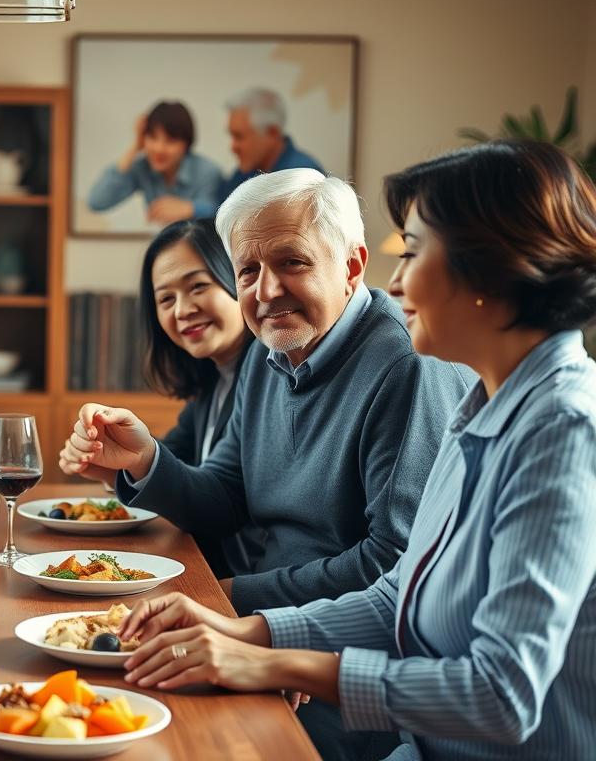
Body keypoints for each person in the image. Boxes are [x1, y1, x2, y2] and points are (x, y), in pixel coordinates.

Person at [116, 139, 596, 761]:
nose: (395, 281)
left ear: (493, 267)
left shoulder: (563, 431)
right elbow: (401, 592)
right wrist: (248, 634)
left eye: (414, 252)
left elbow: (501, 696)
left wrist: (277, 665)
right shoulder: (487, 404)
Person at [60, 168, 474, 760]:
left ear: (353, 265)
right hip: (265, 631)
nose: (266, 290)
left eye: (293, 263)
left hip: (342, 671)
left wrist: (228, 601)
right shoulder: (269, 349)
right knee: (103, 701)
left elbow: (394, 563)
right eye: (248, 271)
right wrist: (147, 460)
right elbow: (227, 493)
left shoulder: (404, 366)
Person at [66, 218, 260, 578]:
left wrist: (139, 460)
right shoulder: (211, 384)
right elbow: (178, 473)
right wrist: (113, 468)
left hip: (243, 584)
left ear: (241, 278)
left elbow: (217, 507)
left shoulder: (267, 372)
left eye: (198, 286)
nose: (182, 310)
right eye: (166, 299)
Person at [87, 100, 224, 223]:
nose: (159, 149)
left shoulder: (207, 171)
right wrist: (135, 147)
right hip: (167, 247)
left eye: (170, 141)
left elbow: (224, 213)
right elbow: (97, 202)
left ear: (186, 145)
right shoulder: (143, 167)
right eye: (152, 137)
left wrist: (191, 208)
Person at [217, 88, 324, 203]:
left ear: (272, 133)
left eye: (239, 136)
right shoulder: (245, 172)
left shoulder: (302, 177)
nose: (233, 147)